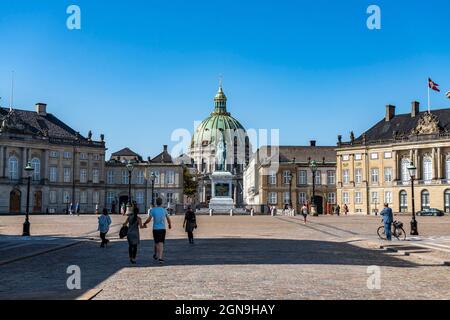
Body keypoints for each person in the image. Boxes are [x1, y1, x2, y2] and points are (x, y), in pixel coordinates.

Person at [143, 197, 172, 264]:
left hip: (155, 229)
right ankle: (160, 257)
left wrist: (145, 223)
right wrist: (169, 225)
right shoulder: (164, 210)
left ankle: (157, 255)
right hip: (162, 229)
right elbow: (168, 219)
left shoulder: (153, 210)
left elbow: (149, 219)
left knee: (156, 242)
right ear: (161, 203)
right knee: (161, 243)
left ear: (156, 202)